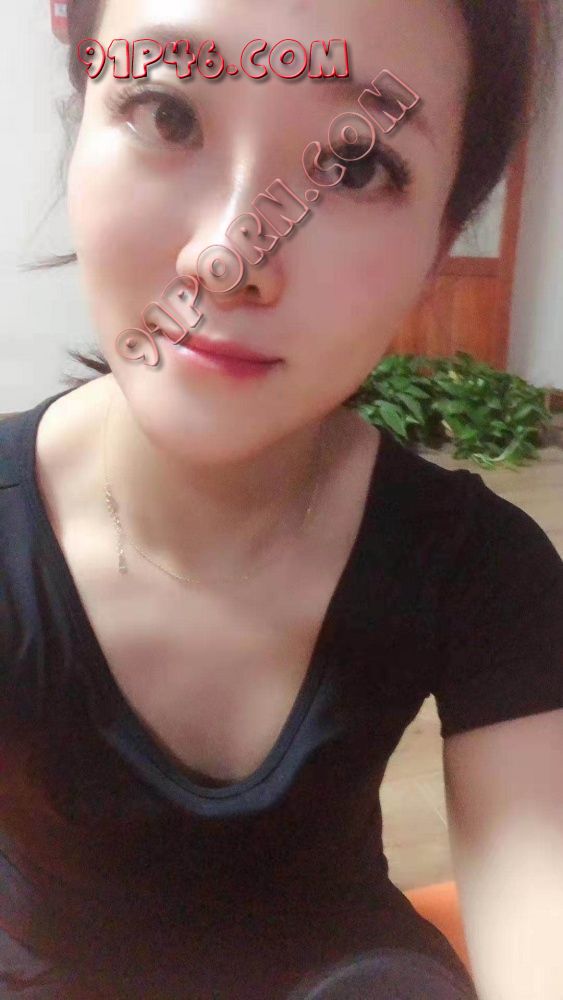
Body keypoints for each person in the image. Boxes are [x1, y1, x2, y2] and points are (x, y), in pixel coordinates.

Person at [1, 0, 562, 997]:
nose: (228, 256)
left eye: (357, 167)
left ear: (438, 243)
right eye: (168, 113)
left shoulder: (481, 571)